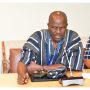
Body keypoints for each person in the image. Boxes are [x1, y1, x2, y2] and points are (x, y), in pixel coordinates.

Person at [17, 11, 84, 84]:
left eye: (62, 28)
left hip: (63, 84)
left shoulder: (73, 38)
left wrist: (41, 68)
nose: (58, 31)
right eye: (54, 28)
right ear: (48, 25)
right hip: (39, 84)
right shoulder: (38, 37)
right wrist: (21, 75)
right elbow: (23, 62)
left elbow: (70, 67)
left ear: (66, 26)